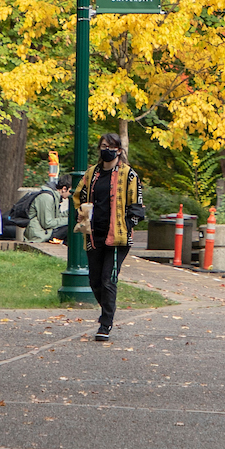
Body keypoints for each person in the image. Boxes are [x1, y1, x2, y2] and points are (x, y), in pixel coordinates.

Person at [72, 134, 142, 343]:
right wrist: (82, 213)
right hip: (95, 234)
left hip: (118, 236)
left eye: (111, 147)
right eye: (104, 146)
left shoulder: (129, 175)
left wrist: (129, 224)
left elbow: (137, 206)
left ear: (119, 150)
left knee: (108, 279)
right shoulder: (92, 173)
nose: (107, 150)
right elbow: (79, 196)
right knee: (95, 280)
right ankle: (107, 310)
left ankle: (106, 324)